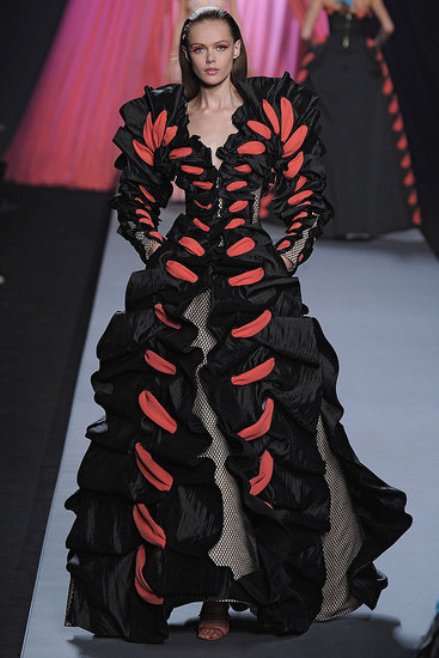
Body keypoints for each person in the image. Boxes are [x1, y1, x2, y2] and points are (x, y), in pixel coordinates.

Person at [64, 7, 412, 644]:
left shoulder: (272, 111)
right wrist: (158, 252)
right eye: (199, 49)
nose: (210, 59)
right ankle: (216, 591)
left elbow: (307, 195)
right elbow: (135, 199)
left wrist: (286, 256)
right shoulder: (166, 117)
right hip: (187, 289)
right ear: (187, 53)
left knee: (270, 430)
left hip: (253, 289)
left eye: (220, 47)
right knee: (198, 434)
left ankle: (285, 578)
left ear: (237, 50)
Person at [297, 0, 421, 238]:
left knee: (328, 140)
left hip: (330, 65)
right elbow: (389, 27)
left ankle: (328, 219)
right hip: (361, 66)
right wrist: (373, 46)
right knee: (363, 140)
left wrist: (321, 49)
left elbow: (306, 33)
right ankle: (363, 219)